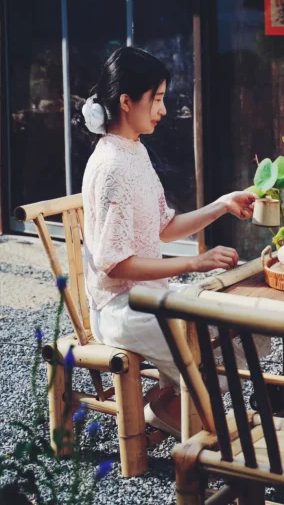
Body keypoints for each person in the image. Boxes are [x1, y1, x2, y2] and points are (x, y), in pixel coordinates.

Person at [73, 46, 256, 438]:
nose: (163, 110)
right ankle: (195, 424)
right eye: (156, 99)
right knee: (211, 340)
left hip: (150, 297)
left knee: (241, 323)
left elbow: (165, 226)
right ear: (126, 102)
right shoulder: (111, 167)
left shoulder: (134, 151)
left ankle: (168, 408)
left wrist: (222, 205)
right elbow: (115, 265)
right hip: (120, 310)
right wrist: (193, 263)